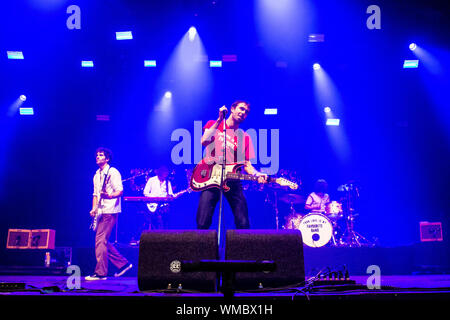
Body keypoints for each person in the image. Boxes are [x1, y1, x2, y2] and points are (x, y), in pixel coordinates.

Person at [196, 101, 267, 229]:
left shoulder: (244, 137)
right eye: (241, 109)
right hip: (211, 177)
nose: (243, 113)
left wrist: (257, 174)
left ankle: (241, 247)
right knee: (202, 221)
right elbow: (204, 141)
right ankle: (203, 248)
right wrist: (219, 120)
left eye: (246, 112)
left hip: (233, 179)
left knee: (243, 222)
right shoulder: (214, 124)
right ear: (232, 109)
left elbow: (247, 165)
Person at [86, 147, 132, 280]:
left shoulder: (113, 172)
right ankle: (123, 264)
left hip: (110, 211)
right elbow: (95, 194)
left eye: (101, 155)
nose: (98, 157)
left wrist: (109, 196)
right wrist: (94, 208)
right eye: (97, 155)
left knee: (100, 240)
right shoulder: (96, 174)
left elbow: (120, 191)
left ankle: (100, 273)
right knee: (103, 241)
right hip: (101, 211)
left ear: (107, 159)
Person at [143, 165, 174, 229]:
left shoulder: (168, 182)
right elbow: (145, 192)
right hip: (152, 205)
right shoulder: (151, 180)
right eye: (163, 171)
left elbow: (170, 194)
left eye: (166, 172)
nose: (165, 173)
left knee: (164, 223)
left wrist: (170, 196)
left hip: (163, 206)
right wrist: (155, 197)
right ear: (159, 172)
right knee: (153, 224)